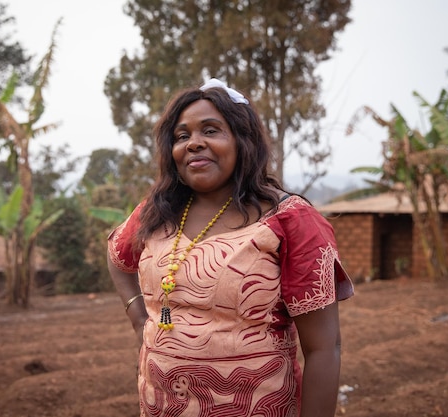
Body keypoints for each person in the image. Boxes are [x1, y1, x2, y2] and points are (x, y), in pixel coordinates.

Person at [107, 78, 354, 417]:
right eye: (182, 136)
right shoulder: (157, 211)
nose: (194, 143)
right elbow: (117, 257)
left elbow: (324, 348)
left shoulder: (289, 220)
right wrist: (140, 321)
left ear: (243, 140)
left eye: (211, 130)